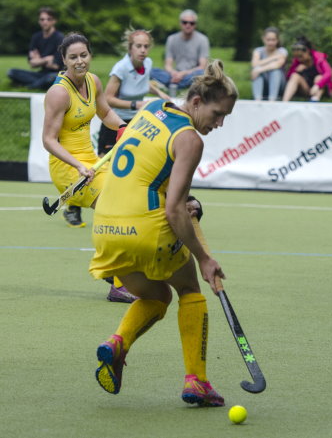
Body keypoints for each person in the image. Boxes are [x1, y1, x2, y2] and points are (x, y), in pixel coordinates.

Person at [89, 60, 238, 405]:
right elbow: (173, 210)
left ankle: (117, 344)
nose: (219, 123)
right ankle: (197, 382)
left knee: (156, 297)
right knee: (189, 289)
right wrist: (204, 258)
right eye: (217, 114)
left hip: (105, 226)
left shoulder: (152, 107)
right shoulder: (190, 140)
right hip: (146, 228)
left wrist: (183, 198)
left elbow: (146, 162)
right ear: (197, 102)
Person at [42, 32, 137, 304]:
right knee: (115, 208)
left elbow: (105, 113)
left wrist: (123, 128)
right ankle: (117, 283)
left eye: (84, 55)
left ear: (90, 55)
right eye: (73, 57)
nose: (80, 61)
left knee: (126, 202)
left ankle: (111, 268)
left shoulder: (93, 81)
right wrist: (78, 166)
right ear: (64, 60)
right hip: (67, 166)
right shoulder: (59, 93)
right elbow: (48, 140)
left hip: (92, 162)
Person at [98, 28, 171, 157]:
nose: (143, 50)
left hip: (137, 122)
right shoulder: (121, 68)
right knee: (106, 163)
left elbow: (143, 83)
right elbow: (108, 99)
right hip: (115, 122)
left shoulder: (148, 63)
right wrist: (136, 105)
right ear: (130, 48)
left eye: (146, 46)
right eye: (138, 46)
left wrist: (159, 93)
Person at [150, 9, 210, 97]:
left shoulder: (203, 40)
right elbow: (167, 65)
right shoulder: (171, 39)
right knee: (150, 71)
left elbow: (202, 66)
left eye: (191, 23)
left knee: (202, 73)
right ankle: (174, 84)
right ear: (180, 23)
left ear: (195, 25)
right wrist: (174, 73)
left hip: (191, 75)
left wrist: (183, 74)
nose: (188, 25)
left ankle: (171, 85)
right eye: (185, 22)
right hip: (173, 74)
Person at [7, 7, 64, 90]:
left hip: (55, 74)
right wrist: (47, 59)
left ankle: (29, 86)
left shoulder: (60, 37)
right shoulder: (36, 37)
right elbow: (32, 64)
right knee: (11, 72)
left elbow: (55, 66)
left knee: (51, 78)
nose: (45, 22)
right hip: (41, 74)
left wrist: (39, 60)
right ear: (39, 21)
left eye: (48, 19)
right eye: (42, 19)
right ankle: (39, 84)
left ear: (54, 21)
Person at [282, 36, 332, 102]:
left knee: (318, 77)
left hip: (320, 88)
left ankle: (314, 100)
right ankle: (284, 102)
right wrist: (295, 70)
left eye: (301, 56)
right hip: (306, 88)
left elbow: (329, 73)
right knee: (294, 76)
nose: (299, 59)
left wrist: (317, 85)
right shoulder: (297, 61)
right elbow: (288, 77)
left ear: (308, 51)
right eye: (297, 56)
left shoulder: (319, 58)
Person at [251, 27, 288, 101]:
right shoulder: (258, 50)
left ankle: (272, 99)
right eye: (268, 40)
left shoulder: (282, 51)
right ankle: (257, 100)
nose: (270, 42)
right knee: (257, 70)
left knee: (275, 71)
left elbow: (278, 65)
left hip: (279, 85)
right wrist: (273, 57)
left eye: (273, 40)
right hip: (263, 83)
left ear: (277, 40)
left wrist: (259, 69)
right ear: (263, 39)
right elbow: (254, 64)